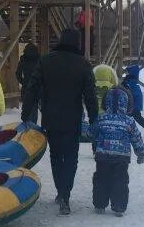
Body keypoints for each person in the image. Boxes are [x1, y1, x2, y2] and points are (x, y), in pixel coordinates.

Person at [21, 28, 98, 216]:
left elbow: (32, 87)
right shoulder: (83, 64)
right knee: (71, 157)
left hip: (51, 118)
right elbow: (90, 95)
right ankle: (66, 193)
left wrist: (25, 113)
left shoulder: (46, 61)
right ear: (77, 43)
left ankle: (60, 191)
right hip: (73, 120)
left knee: (56, 156)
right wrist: (94, 118)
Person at [90, 87, 144, 216]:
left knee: (101, 179)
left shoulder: (101, 119)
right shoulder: (129, 121)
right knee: (120, 180)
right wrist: (141, 152)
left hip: (103, 156)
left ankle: (100, 204)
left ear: (105, 103)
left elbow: (90, 132)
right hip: (121, 157)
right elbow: (136, 138)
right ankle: (119, 206)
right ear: (126, 104)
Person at [121, 63, 144, 135]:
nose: (126, 73)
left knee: (133, 117)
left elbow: (129, 92)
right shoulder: (132, 80)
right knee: (134, 117)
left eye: (127, 71)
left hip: (134, 104)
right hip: (135, 103)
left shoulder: (130, 81)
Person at [15, 42, 41, 124]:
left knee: (26, 107)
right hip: (37, 86)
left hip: (26, 86)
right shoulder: (39, 59)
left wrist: (23, 81)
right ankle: (34, 127)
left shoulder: (23, 59)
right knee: (34, 108)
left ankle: (27, 127)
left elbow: (18, 73)